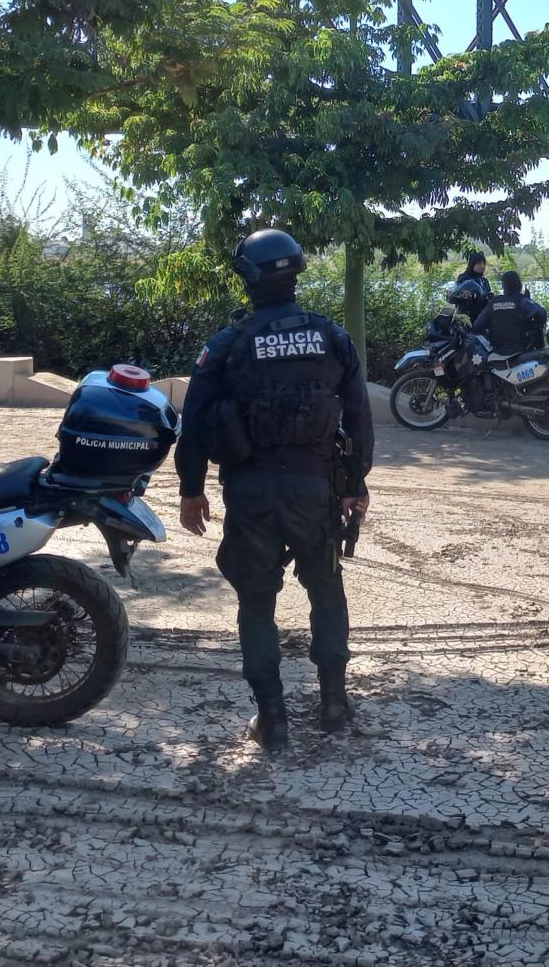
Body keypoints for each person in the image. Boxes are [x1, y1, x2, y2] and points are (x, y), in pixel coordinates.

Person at [177, 229, 374, 749]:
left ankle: (272, 720)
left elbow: (193, 420)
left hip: (251, 492)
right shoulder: (331, 336)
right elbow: (358, 415)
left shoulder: (227, 344)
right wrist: (357, 483)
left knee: (256, 603)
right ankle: (334, 702)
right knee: (327, 590)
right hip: (317, 490)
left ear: (248, 278)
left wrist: (191, 487)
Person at [472, 269, 546, 357]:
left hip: (497, 352)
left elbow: (477, 326)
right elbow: (542, 313)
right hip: (522, 351)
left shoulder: (493, 303)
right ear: (519, 284)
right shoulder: (522, 301)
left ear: (503, 285)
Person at [451, 251, 492, 323]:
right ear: (472, 264)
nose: (482, 266)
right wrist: (464, 295)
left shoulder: (484, 281)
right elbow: (453, 296)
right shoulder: (464, 278)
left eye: (483, 264)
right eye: (479, 263)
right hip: (466, 316)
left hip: (482, 316)